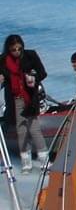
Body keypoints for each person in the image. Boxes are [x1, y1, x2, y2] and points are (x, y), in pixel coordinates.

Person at [2, 34, 48, 173]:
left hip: (29, 97)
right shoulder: (2, 60)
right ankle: (26, 162)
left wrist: (34, 78)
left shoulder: (30, 55)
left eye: (19, 49)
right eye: (13, 50)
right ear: (8, 49)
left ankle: (44, 161)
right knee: (21, 130)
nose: (17, 52)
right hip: (15, 99)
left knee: (34, 128)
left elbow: (42, 73)